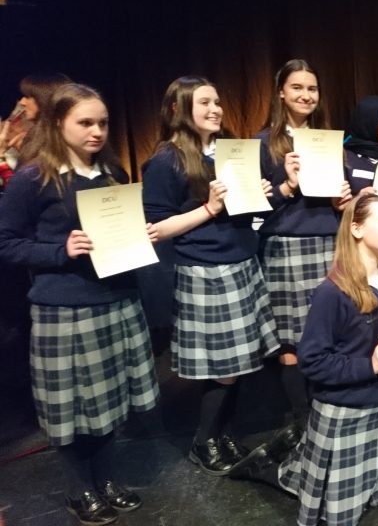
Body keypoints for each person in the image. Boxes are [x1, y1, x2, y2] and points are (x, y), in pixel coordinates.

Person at [0, 84, 158, 525]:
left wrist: (136, 233)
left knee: (108, 403)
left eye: (103, 123)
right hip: (66, 309)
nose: (97, 132)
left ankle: (106, 479)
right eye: (85, 123)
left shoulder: (110, 174)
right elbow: (6, 244)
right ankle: (81, 488)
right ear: (58, 124)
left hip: (116, 299)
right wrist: (59, 251)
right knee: (73, 408)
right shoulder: (35, 179)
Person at [231, 194, 378, 526]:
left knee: (355, 474)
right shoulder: (333, 292)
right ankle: (269, 468)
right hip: (345, 407)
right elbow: (312, 362)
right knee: (328, 498)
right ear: (355, 228)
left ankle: (288, 464)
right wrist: (369, 365)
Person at [143, 76, 279, 476]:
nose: (215, 109)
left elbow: (249, 211)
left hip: (242, 263)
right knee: (223, 369)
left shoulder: (230, 152)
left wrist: (262, 195)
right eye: (204, 102)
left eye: (217, 101)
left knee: (241, 362)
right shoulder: (166, 160)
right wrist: (209, 208)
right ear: (177, 108)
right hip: (205, 270)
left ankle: (223, 434)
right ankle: (203, 441)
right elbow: (156, 228)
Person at [256, 59, 354, 444]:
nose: (305, 95)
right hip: (287, 247)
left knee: (327, 331)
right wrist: (286, 185)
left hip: (329, 243)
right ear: (281, 92)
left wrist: (341, 200)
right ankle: (302, 420)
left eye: (312, 89)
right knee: (292, 340)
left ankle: (326, 409)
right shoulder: (265, 143)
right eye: (297, 88)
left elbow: (338, 202)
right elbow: (254, 213)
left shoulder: (329, 141)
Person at [0, 73, 73, 190]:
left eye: (28, 97)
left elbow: (22, 193)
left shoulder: (59, 142)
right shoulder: (33, 138)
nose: (22, 102)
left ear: (44, 99)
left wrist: (1, 158)